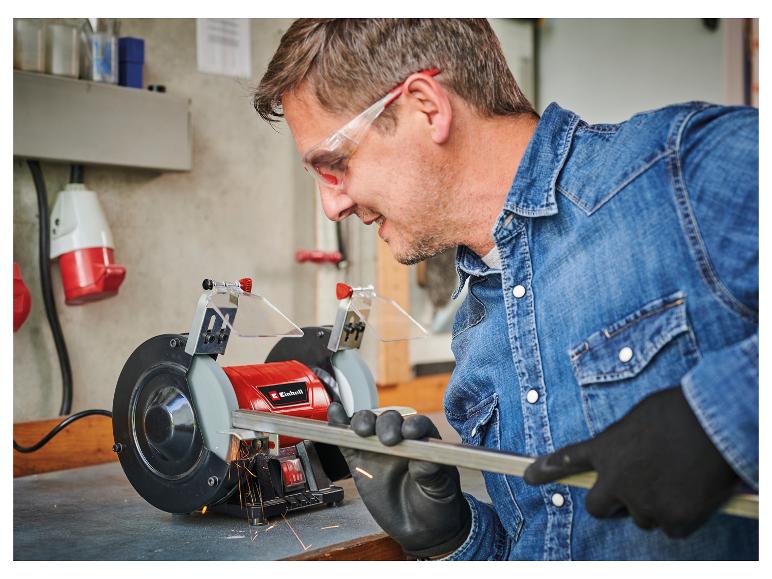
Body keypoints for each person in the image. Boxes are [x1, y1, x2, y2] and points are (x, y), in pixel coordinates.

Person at [254, 19, 758, 560]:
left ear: (426, 107)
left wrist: (720, 417)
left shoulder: (675, 172)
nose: (333, 205)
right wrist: (454, 539)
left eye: (335, 165)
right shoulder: (479, 328)